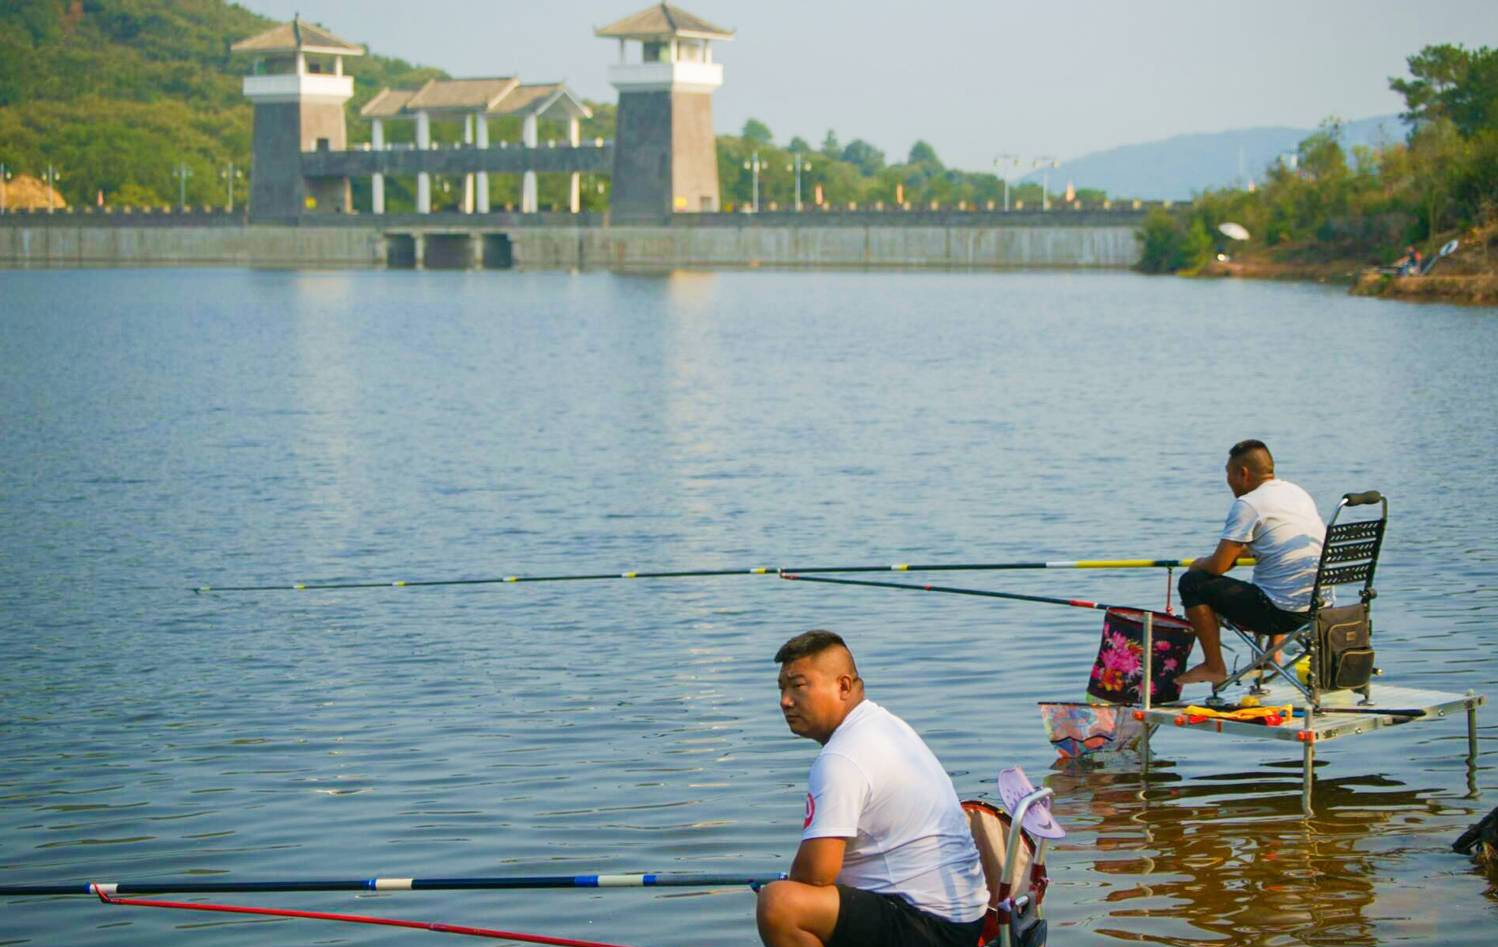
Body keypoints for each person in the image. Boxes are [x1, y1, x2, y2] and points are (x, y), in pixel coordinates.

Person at [756, 630, 988, 947]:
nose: (785, 701)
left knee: (780, 904)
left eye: (798, 686)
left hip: (934, 926)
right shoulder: (882, 724)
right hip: (963, 916)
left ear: (843, 686)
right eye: (781, 688)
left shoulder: (842, 757)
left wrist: (785, 884)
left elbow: (817, 873)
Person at [1175, 440, 1326, 686]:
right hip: (1318, 609)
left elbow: (1217, 567)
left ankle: (1214, 666)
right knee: (1275, 575)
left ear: (1242, 473)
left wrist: (1198, 564)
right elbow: (1276, 546)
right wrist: (1232, 555)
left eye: (1228, 473)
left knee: (1192, 583)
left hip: (1281, 613)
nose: (1228, 481)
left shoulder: (1249, 504)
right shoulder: (1296, 493)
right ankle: (1273, 650)